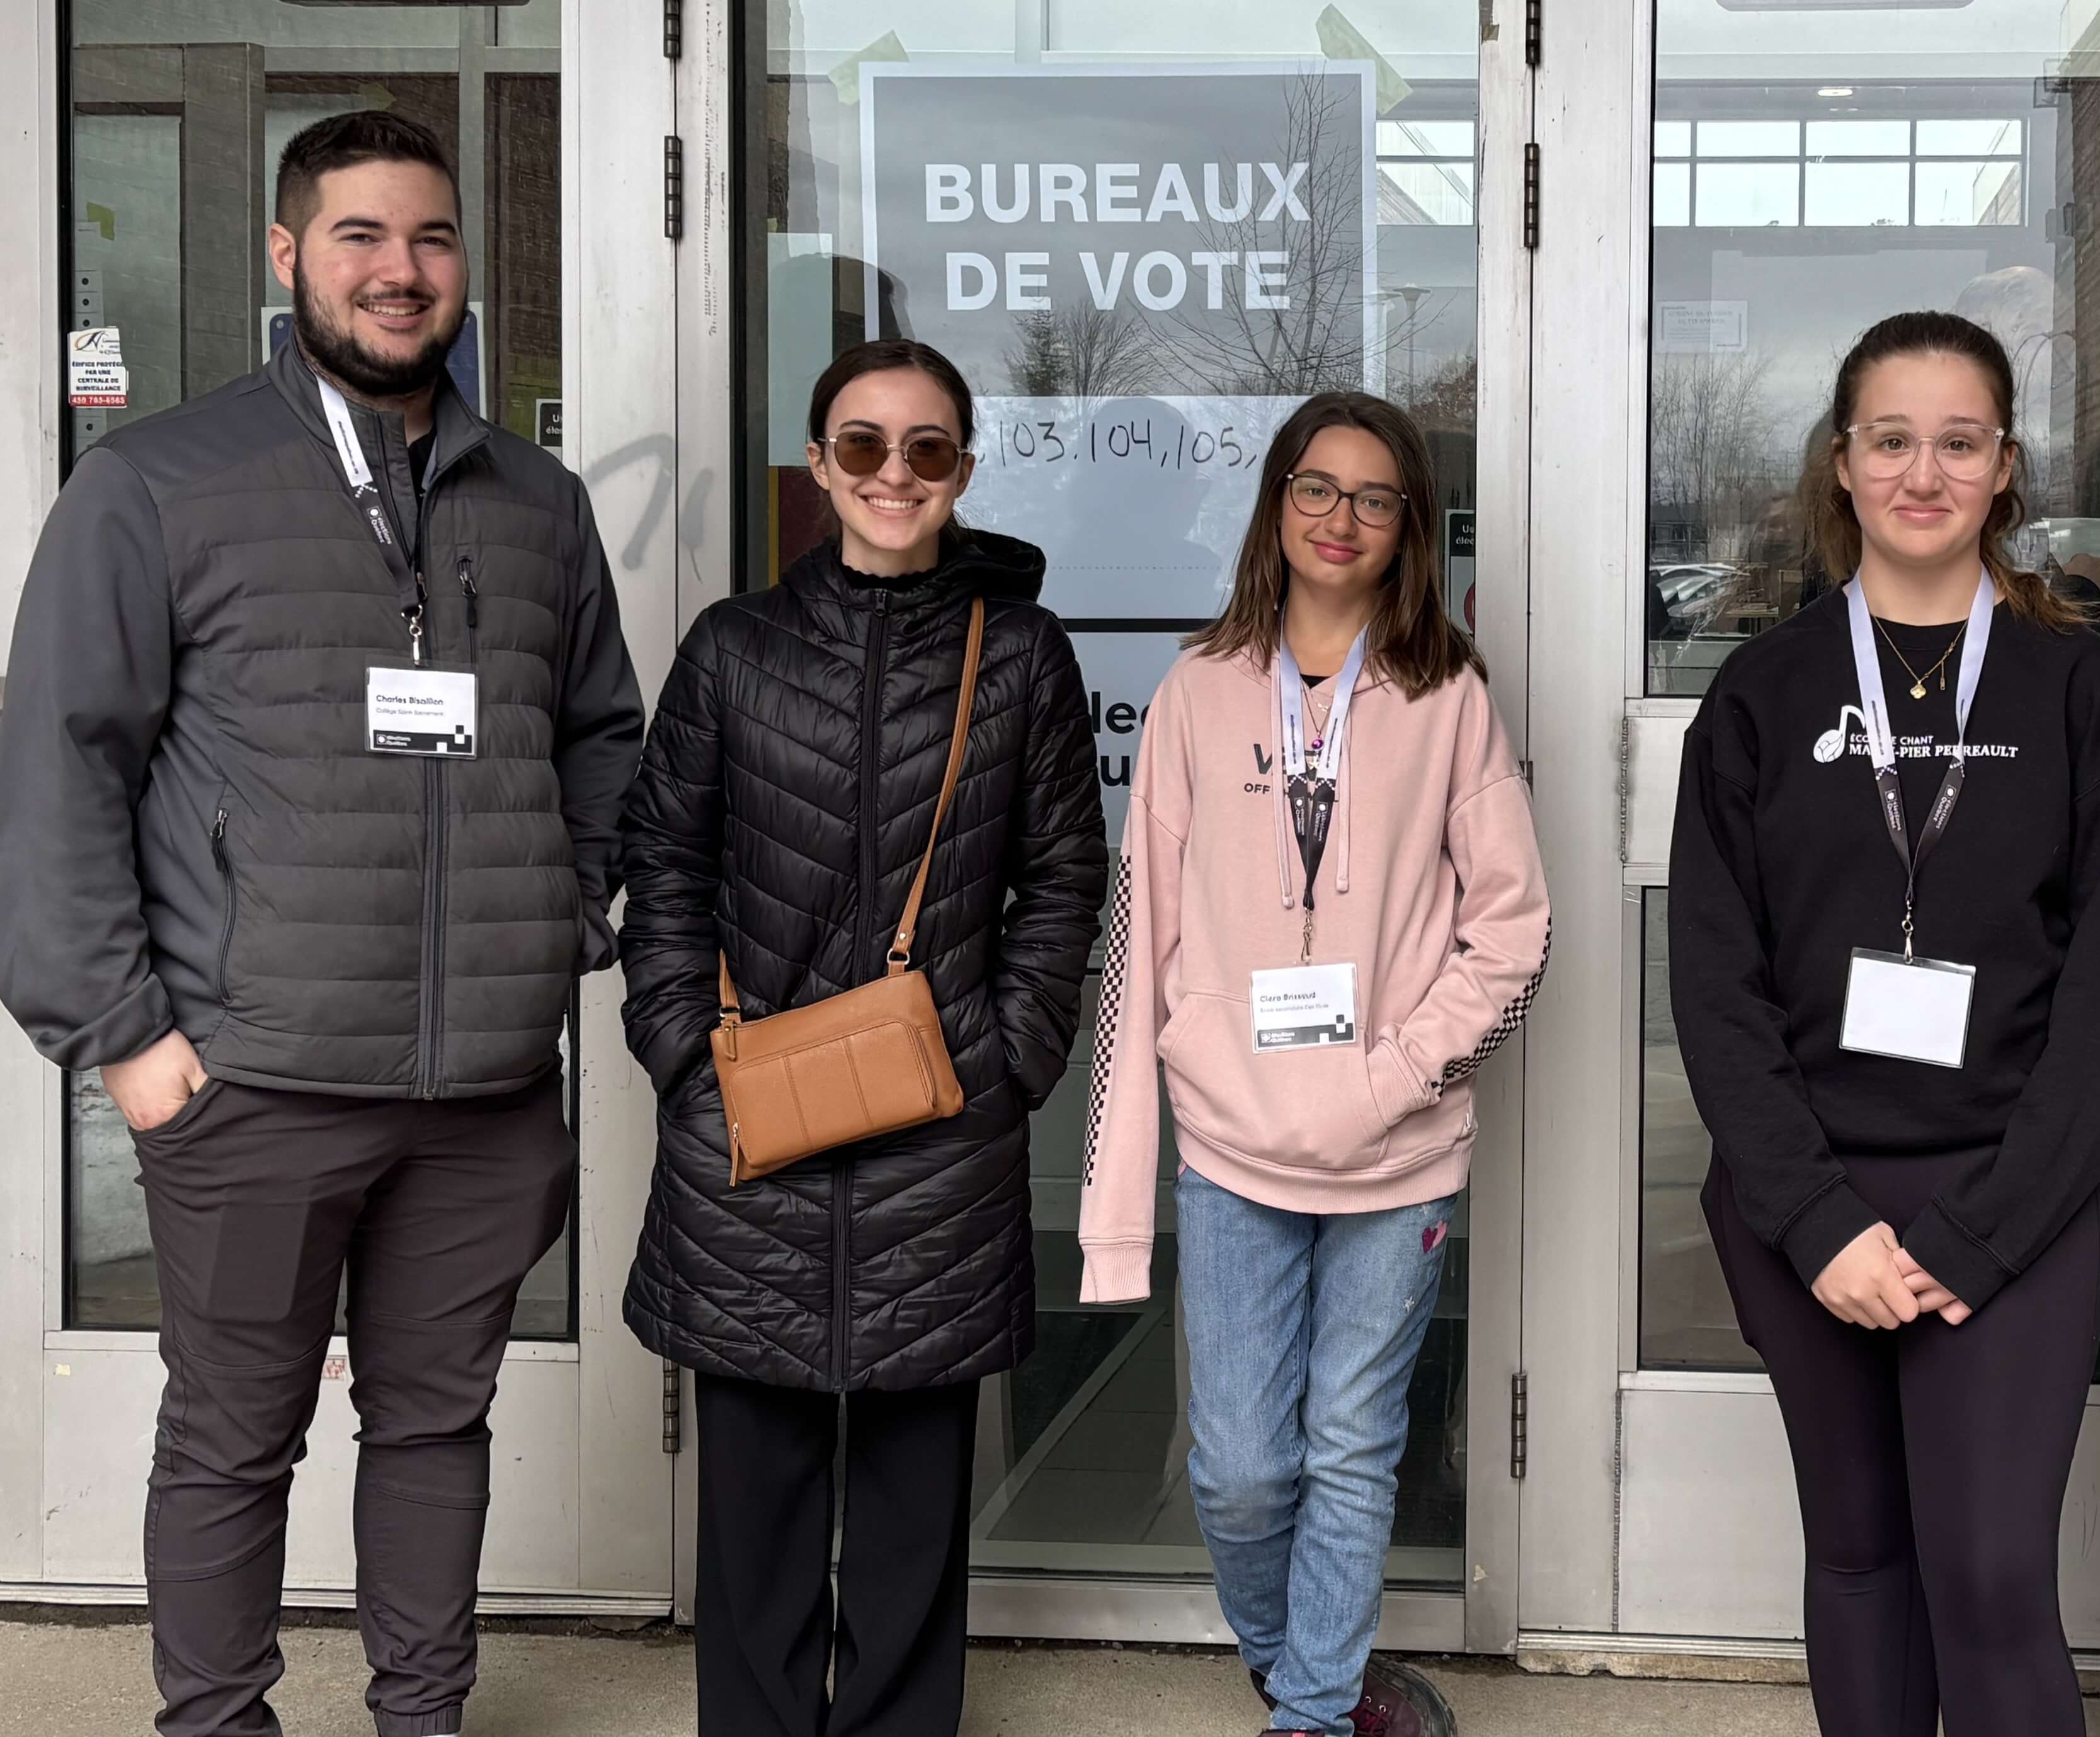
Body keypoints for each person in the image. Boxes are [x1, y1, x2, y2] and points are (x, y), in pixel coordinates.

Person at [0, 110, 644, 1737]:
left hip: (484, 1093)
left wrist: (552, 909)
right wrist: (124, 1037)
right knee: (232, 1436)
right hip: (254, 1076)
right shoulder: (154, 484)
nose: (399, 271)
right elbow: (56, 765)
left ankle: (417, 1718)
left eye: (428, 238)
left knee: (437, 1428)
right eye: (358, 237)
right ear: (287, 259)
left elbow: (599, 730)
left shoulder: (541, 503)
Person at [1667, 311, 2100, 1736]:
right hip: (1804, 1206)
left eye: (1959, 442)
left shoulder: (2079, 693)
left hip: (2008, 1203)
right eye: (1890, 440)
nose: (1922, 471)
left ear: (2005, 468)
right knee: (1861, 1557)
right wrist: (1815, 1218)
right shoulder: (1761, 694)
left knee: (1993, 1575)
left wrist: (1982, 1230)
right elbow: (1715, 981)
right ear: (1843, 463)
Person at [616, 338, 1105, 1737]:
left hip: (938, 1137)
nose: (897, 473)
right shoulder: (734, 647)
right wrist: (677, 1045)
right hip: (748, 1138)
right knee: (755, 1519)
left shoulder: (1017, 655)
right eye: (866, 445)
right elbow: (667, 862)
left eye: (928, 448)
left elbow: (1064, 875)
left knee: (908, 1525)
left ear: (962, 466)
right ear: (820, 464)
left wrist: (1006, 1059)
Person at [1078, 392, 1549, 1737]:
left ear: (1410, 527)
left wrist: (1393, 1073)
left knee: (1349, 1446)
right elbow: (1140, 941)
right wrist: (1126, 1192)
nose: (1342, 518)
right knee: (1236, 1469)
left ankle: (1312, 1715)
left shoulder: (1445, 694)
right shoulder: (1196, 691)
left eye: (1375, 495)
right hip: (1233, 1147)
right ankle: (1308, 1670)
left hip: (1396, 1152)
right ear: (1277, 503)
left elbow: (1516, 927)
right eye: (1316, 487)